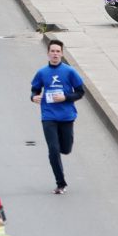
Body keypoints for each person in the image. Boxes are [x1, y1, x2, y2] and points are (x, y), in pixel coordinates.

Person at [31, 40, 85, 194]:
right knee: (53, 150)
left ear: (62, 53)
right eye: (52, 51)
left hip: (66, 115)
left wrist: (65, 97)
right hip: (48, 116)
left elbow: (80, 92)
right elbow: (34, 90)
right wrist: (33, 97)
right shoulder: (42, 73)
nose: (55, 54)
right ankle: (60, 183)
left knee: (66, 149)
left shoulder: (69, 72)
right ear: (48, 53)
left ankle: (63, 149)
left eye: (57, 51)